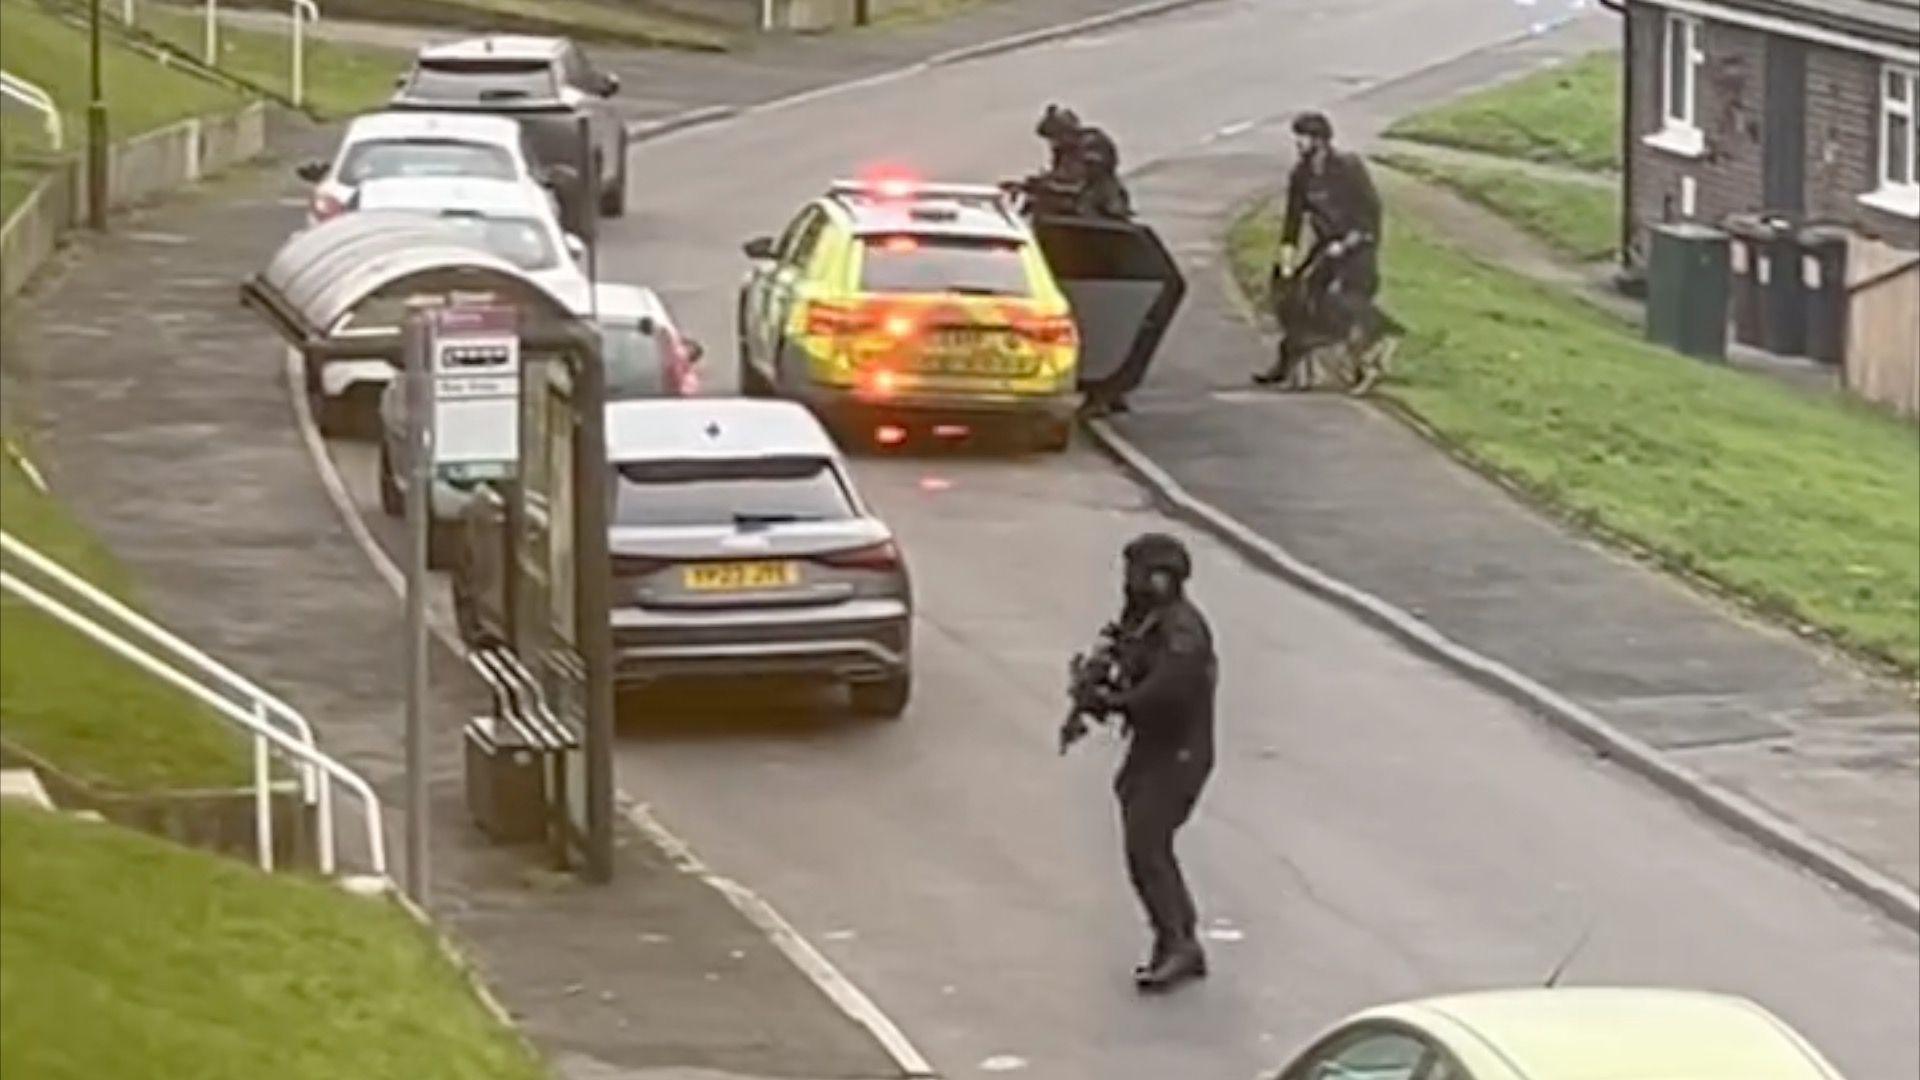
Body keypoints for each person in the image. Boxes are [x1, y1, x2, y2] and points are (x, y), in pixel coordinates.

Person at [1084, 532, 1218, 992]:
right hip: (1153, 749)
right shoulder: (1147, 621)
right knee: (1144, 845)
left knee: (1148, 844)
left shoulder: (1182, 631)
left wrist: (1119, 701)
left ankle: (1179, 943)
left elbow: (1167, 692)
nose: (1129, 582)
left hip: (1179, 753)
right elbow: (1124, 659)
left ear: (1161, 577)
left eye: (1137, 572)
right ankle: (1176, 940)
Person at [1255, 111, 1388, 392]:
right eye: (1298, 137)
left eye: (1304, 137)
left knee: (1339, 299)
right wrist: (1287, 256)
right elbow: (1293, 218)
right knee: (1295, 295)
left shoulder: (1348, 168)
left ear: (1321, 140)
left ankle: (1367, 355)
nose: (1299, 143)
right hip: (1326, 245)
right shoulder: (1301, 175)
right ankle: (1292, 362)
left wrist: (1352, 242)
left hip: (1357, 244)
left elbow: (1370, 212)